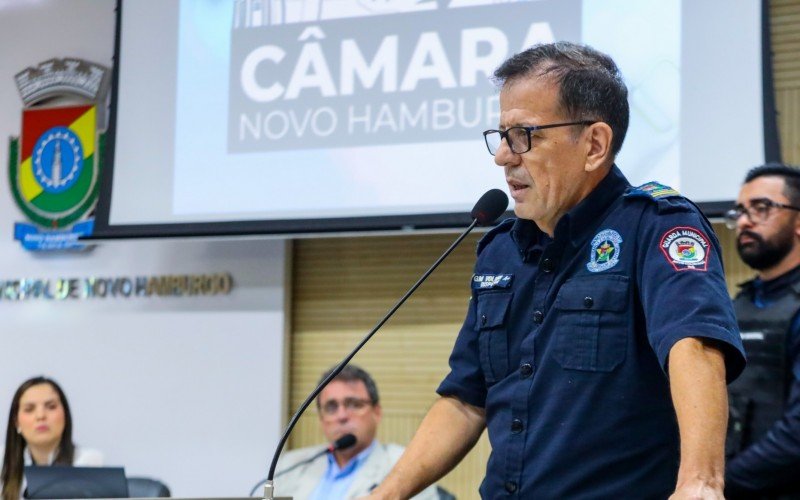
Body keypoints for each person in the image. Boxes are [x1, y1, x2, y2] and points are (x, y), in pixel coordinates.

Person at [367, 41, 746, 499]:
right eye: (501, 135)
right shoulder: (499, 251)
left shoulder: (656, 225)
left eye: (525, 135)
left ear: (594, 145)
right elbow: (466, 402)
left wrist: (700, 484)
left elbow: (695, 347)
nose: (503, 157)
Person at [724, 163, 800, 498]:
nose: (744, 220)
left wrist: (720, 482)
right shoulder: (735, 304)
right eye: (740, 210)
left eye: (762, 208)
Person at [273, 365, 438, 499]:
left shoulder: (408, 465)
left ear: (377, 412)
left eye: (354, 404)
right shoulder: (290, 465)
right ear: (321, 419)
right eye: (331, 407)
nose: (342, 415)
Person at [1, 376, 103, 500]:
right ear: (16, 422)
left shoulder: (88, 462)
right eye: (29, 409)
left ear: (65, 415)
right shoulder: (2, 462)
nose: (41, 416)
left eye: (51, 407)